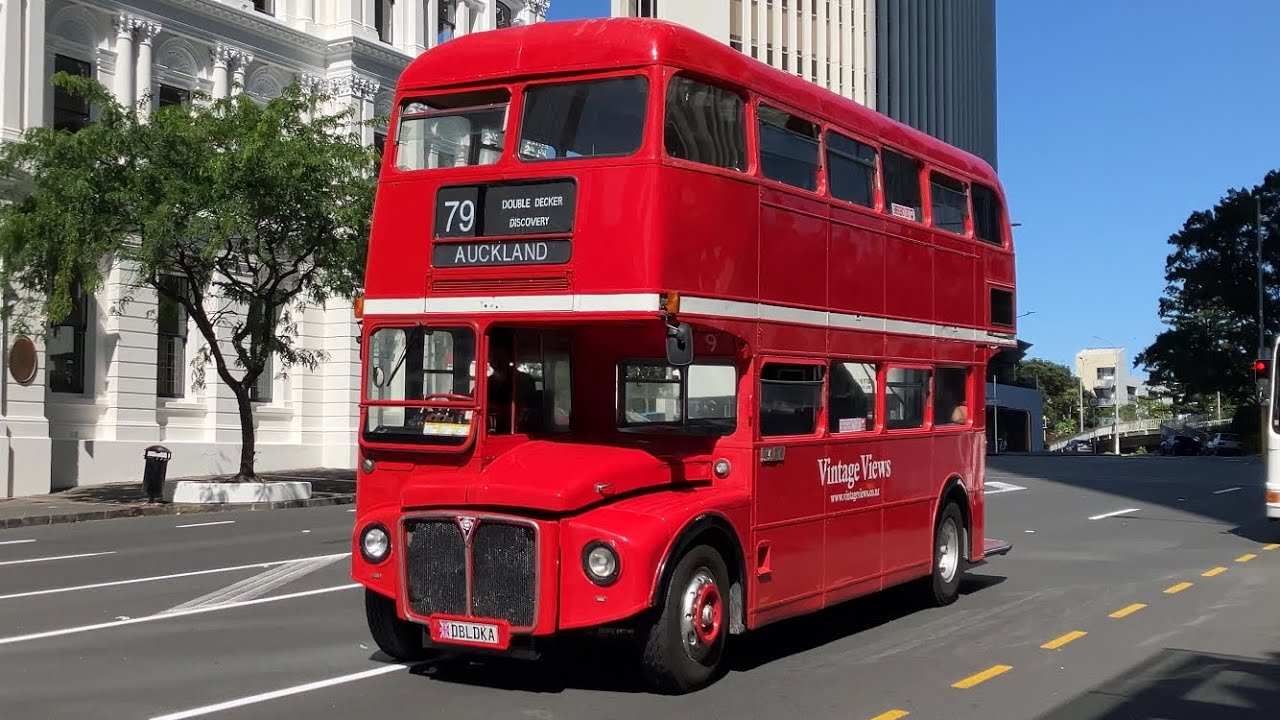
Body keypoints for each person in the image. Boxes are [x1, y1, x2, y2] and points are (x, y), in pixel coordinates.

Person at [486, 332, 541, 434]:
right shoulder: (487, 381)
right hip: (488, 429)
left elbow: (523, 407)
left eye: (500, 358)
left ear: (508, 358)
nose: (495, 361)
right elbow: (475, 400)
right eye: (493, 357)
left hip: (517, 429)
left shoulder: (522, 379)